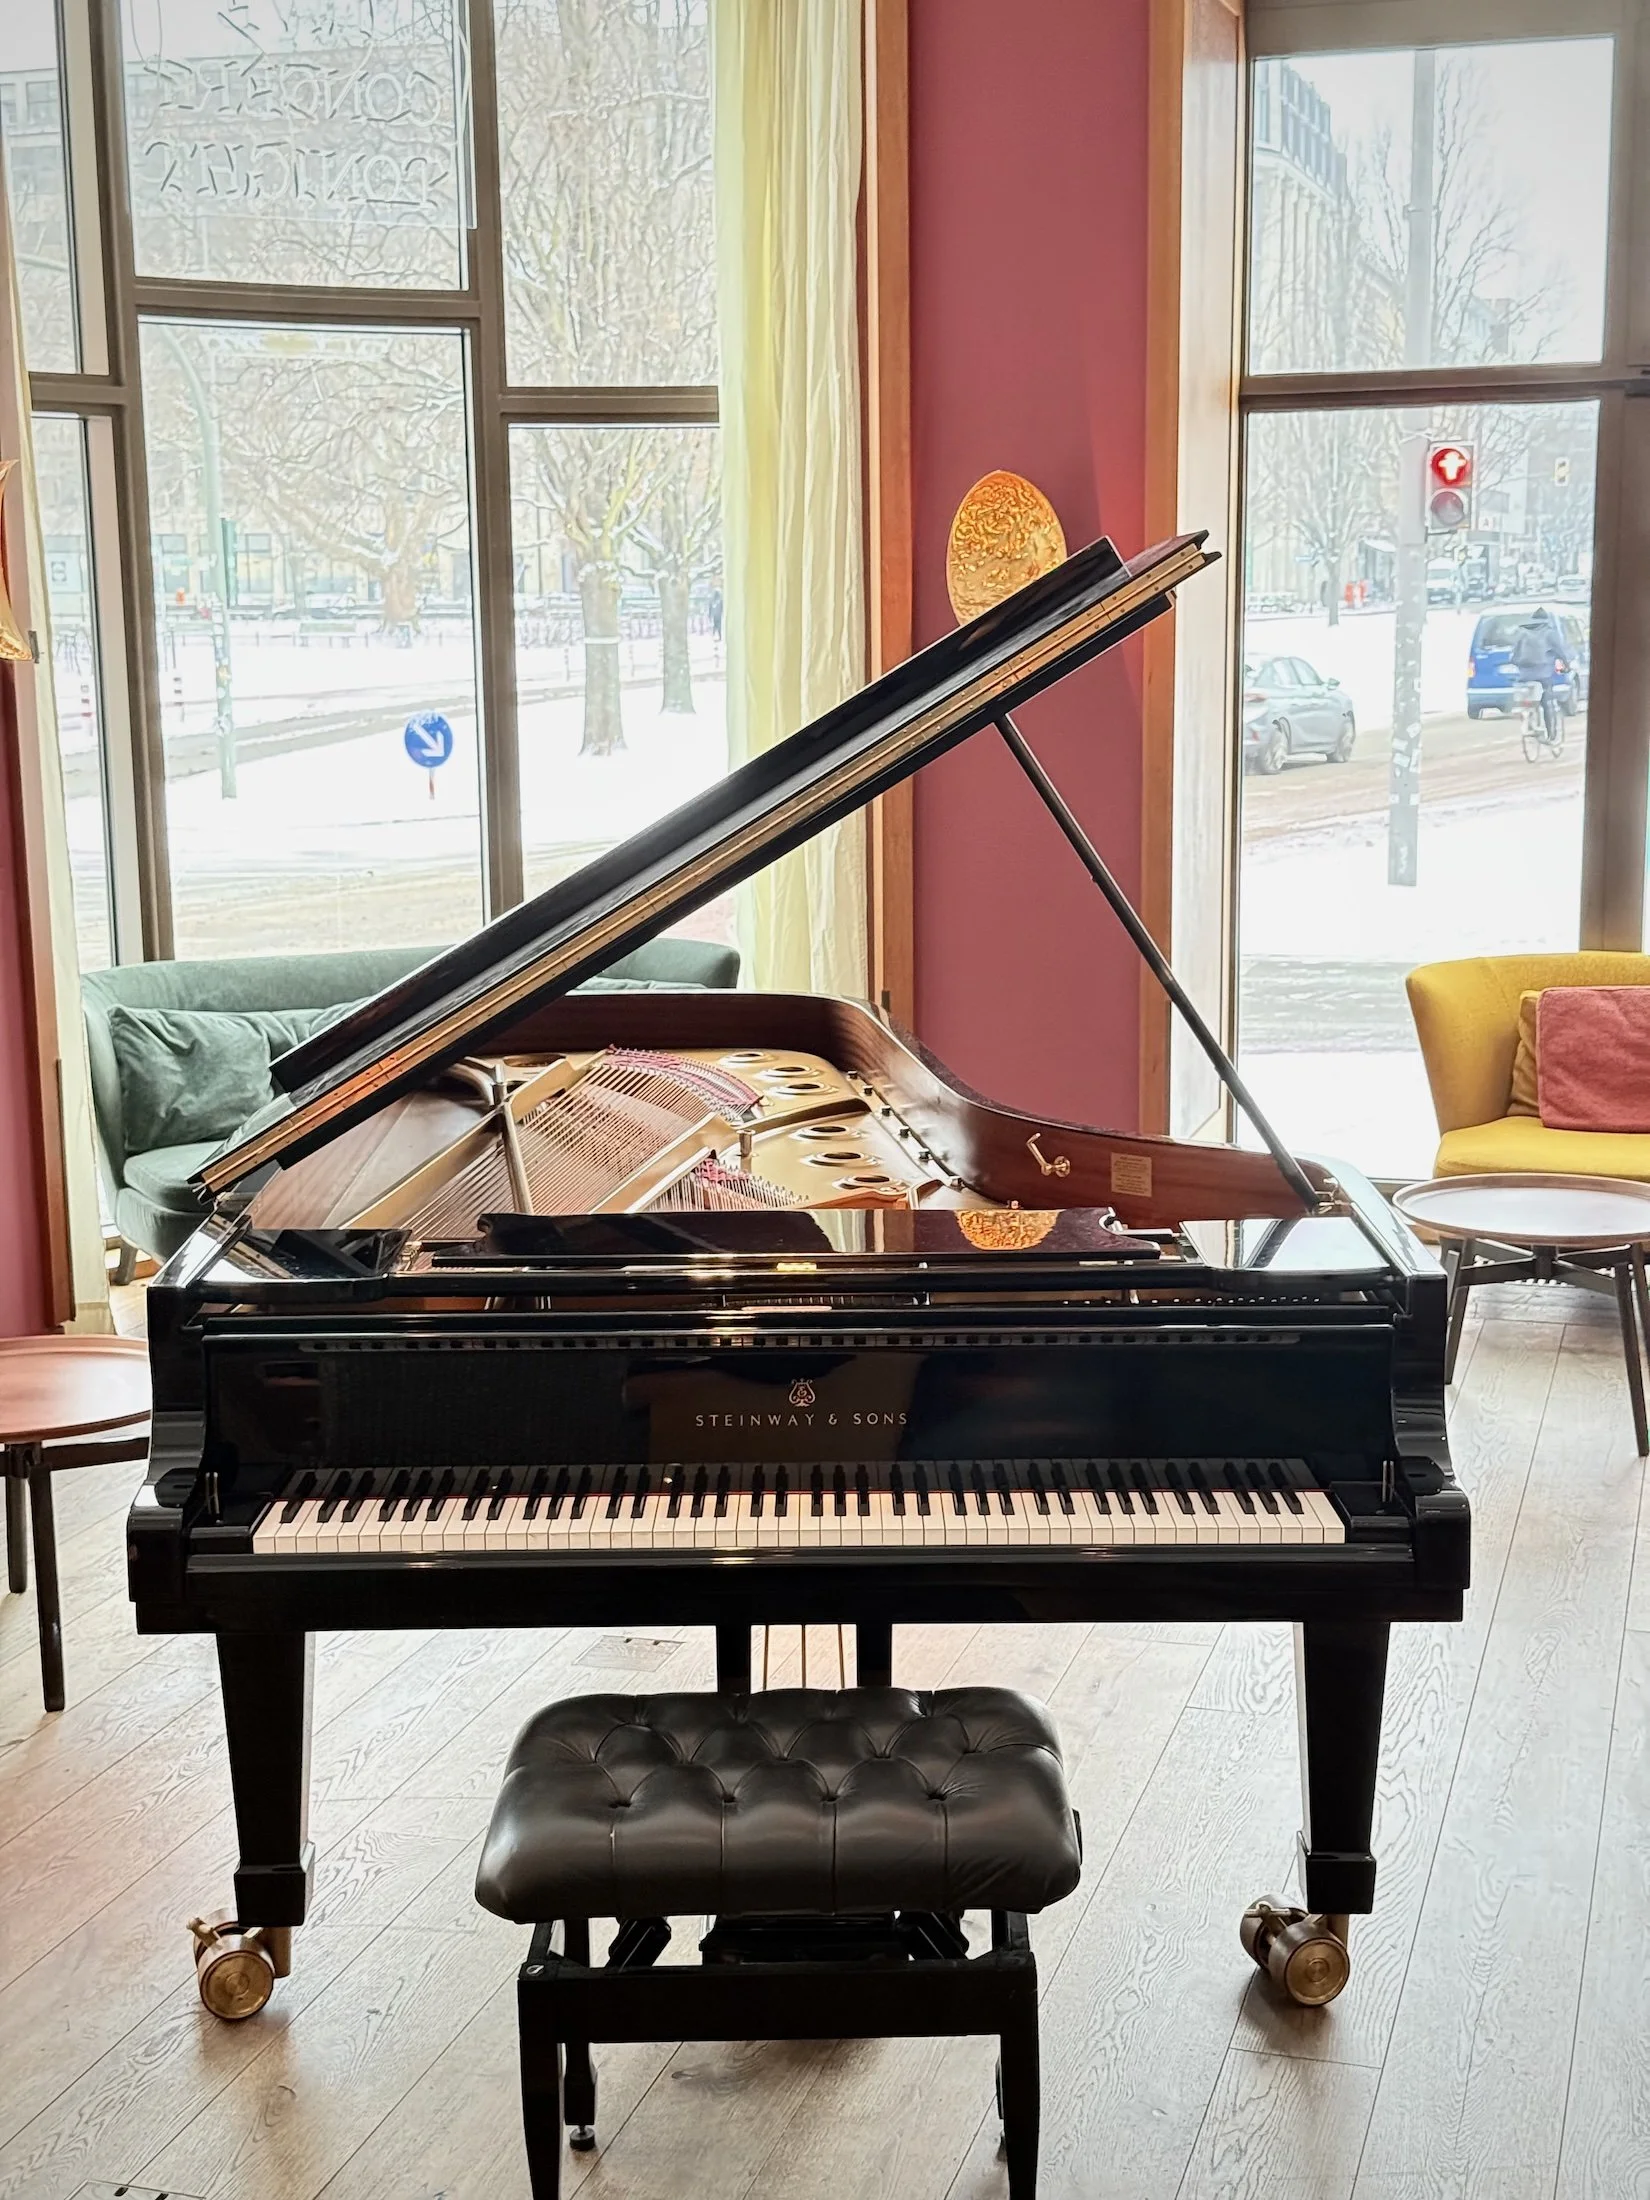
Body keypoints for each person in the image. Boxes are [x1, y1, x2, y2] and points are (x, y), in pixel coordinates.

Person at [1511, 609, 1568, 742]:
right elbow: (1560, 652)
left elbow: (1513, 657)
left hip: (1524, 676)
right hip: (1543, 675)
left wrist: (1520, 665)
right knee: (1546, 702)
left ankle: (1528, 721)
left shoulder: (1522, 633)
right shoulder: (1549, 633)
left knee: (1525, 700)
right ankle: (1551, 735)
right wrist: (1566, 665)